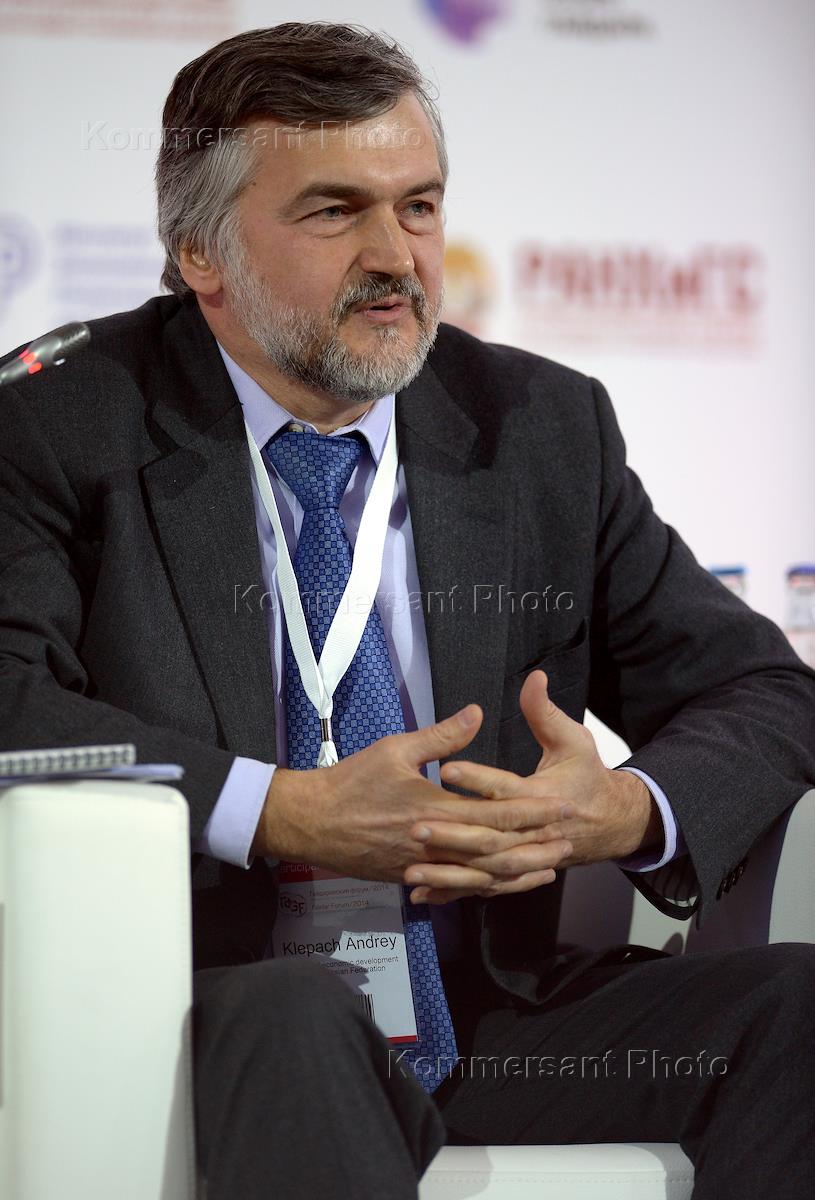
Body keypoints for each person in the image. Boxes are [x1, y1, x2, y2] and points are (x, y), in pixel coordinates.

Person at [1, 21, 814, 1200]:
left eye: (419, 206)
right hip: (195, 1008)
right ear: (200, 253)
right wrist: (276, 812)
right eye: (334, 212)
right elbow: (12, 702)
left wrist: (623, 809)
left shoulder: (534, 427)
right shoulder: (58, 424)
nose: (396, 256)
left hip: (482, 1011)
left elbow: (761, 689)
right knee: (297, 1015)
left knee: (795, 1006)